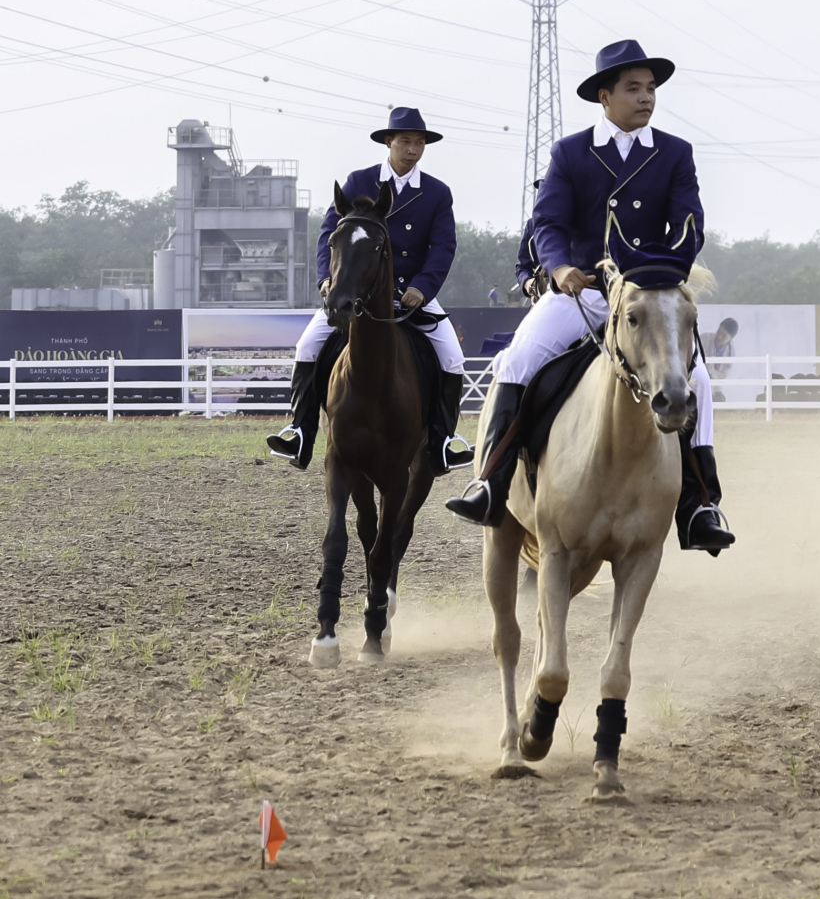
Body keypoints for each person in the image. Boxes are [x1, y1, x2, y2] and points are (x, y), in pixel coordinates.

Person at [446, 40, 735, 555]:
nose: (646, 98)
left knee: (700, 383)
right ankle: (490, 481)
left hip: (646, 297)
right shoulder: (570, 152)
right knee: (516, 361)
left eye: (651, 89)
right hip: (583, 293)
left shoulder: (674, 153)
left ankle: (699, 504)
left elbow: (691, 227)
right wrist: (558, 268)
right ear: (605, 96)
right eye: (634, 89)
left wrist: (663, 270)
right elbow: (548, 222)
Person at [267, 107, 470, 474]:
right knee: (308, 345)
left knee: (453, 358)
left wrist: (423, 289)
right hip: (353, 290)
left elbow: (443, 248)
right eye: (406, 141)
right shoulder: (358, 181)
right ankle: (300, 431)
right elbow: (329, 235)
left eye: (420, 142)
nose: (413, 149)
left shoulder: (437, 193)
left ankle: (442, 440)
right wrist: (326, 280)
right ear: (388, 141)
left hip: (411, 293)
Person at [513, 180, 546, 301]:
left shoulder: (580, 224)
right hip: (541, 299)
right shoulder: (532, 225)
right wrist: (527, 282)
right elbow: (522, 267)